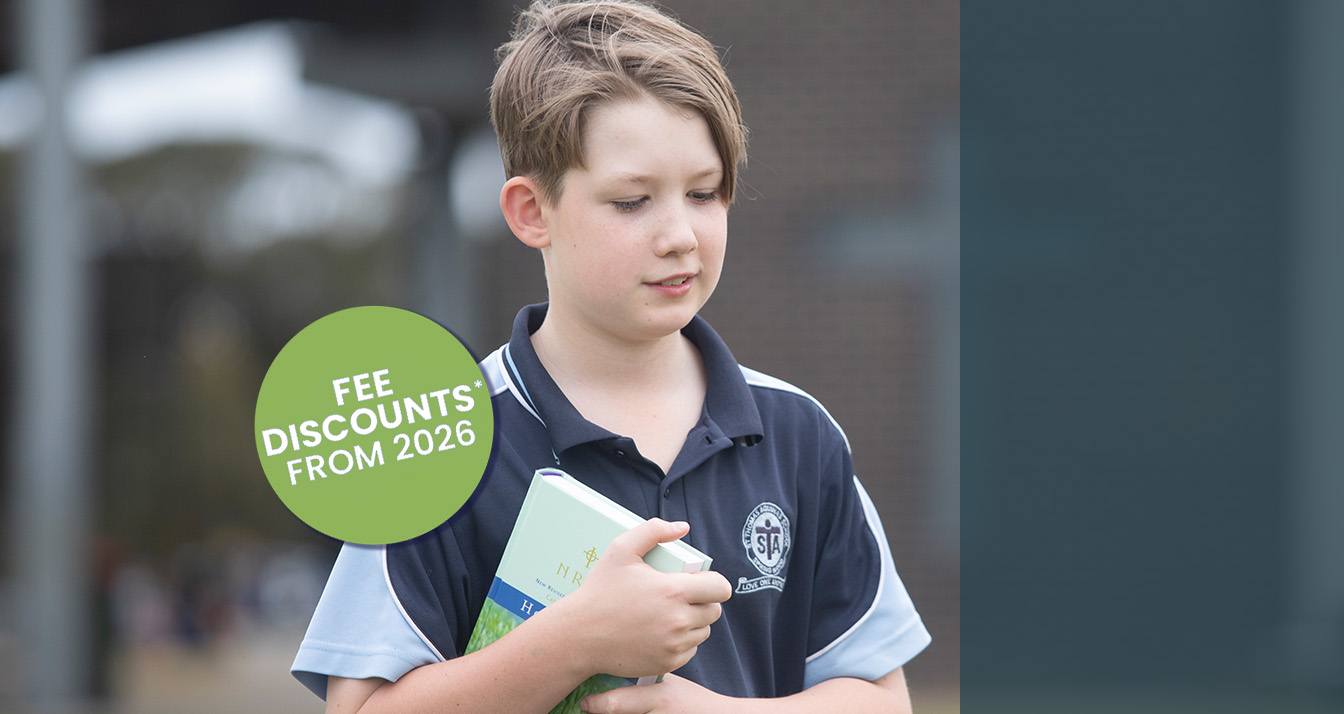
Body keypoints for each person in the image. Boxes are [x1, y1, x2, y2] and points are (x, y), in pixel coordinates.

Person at [289, 2, 930, 712]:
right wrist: (579, 640)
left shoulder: (800, 433)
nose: (680, 234)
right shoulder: (436, 441)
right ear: (532, 212)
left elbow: (883, 697)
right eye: (632, 201)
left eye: (704, 193)